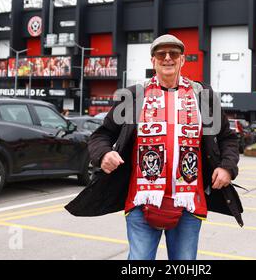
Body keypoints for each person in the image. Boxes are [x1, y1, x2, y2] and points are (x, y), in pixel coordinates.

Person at [64, 34, 242, 260]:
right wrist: (104, 154)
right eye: (161, 54)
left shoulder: (203, 96)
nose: (167, 58)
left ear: (182, 60)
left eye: (174, 54)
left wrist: (227, 167)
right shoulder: (134, 96)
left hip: (189, 202)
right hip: (141, 200)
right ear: (153, 61)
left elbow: (228, 138)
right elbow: (103, 134)